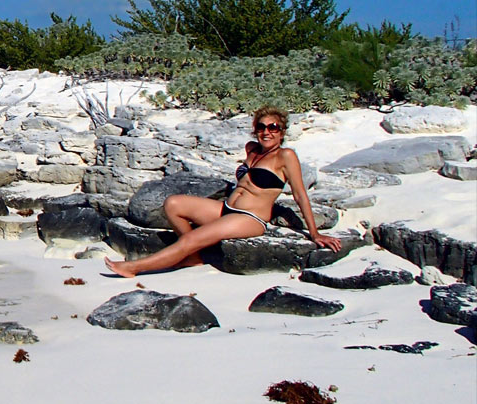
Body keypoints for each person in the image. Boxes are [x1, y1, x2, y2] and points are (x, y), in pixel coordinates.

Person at [105, 105, 340, 278]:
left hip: (250, 218)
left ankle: (135, 268)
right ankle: (194, 257)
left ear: (282, 131)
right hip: (226, 209)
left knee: (194, 238)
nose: (266, 132)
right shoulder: (252, 150)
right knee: (173, 204)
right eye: (261, 127)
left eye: (273, 128)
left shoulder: (285, 156)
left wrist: (315, 233)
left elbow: (299, 194)